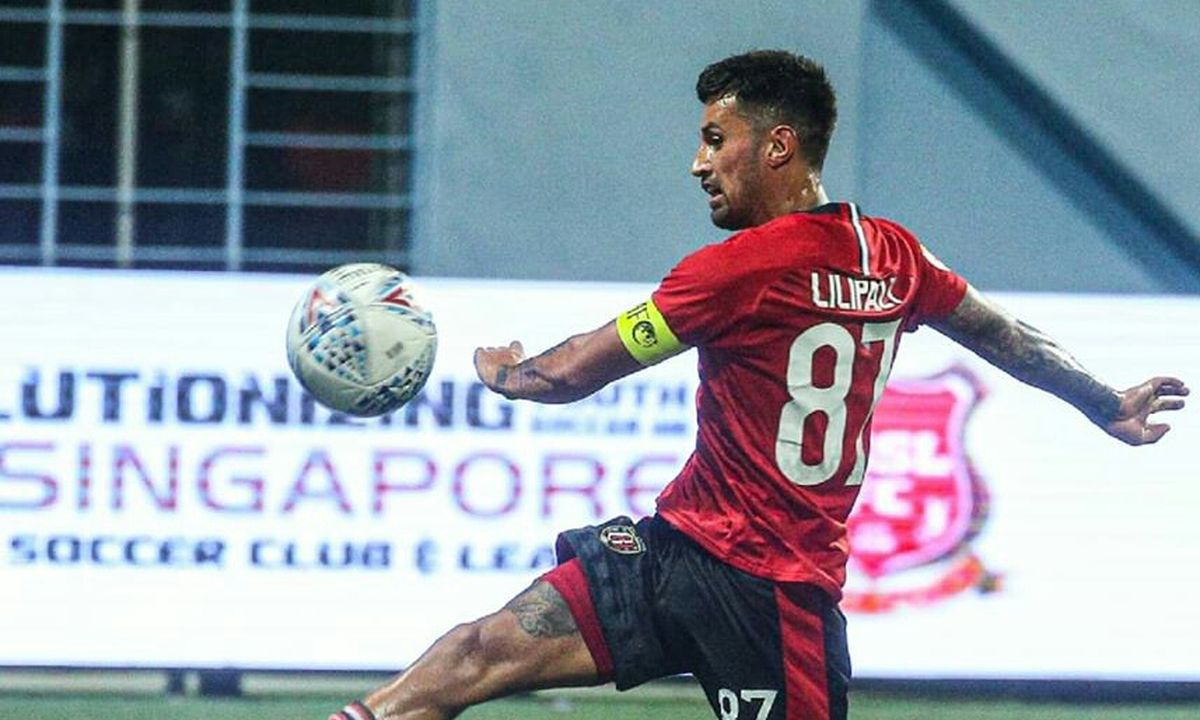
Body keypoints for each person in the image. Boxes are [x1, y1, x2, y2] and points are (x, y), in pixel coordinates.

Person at [326, 50, 1188, 720]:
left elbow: (574, 373)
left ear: (778, 145)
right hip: (678, 552)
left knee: (473, 657)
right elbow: (1006, 338)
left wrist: (507, 374)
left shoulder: (736, 269)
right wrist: (1103, 403)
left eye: (714, 139)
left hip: (771, 596)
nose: (698, 163)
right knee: (473, 655)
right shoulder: (894, 257)